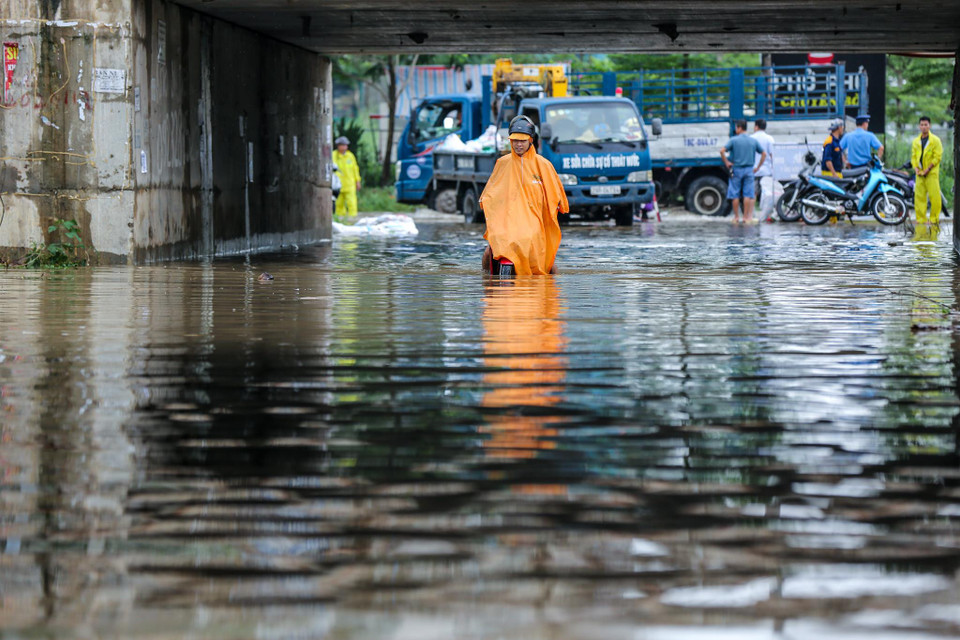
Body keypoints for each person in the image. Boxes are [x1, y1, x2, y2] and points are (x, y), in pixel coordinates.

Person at [479, 116, 569, 275]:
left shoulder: (543, 165)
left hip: (534, 223)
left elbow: (557, 195)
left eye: (522, 140)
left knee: (547, 263)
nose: (518, 144)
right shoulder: (502, 163)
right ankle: (486, 279)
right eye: (514, 140)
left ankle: (551, 288)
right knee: (488, 253)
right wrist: (485, 203)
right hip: (506, 222)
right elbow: (490, 193)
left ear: (530, 141)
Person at [720, 119, 766, 224]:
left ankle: (736, 217)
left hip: (736, 169)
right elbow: (764, 153)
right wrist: (758, 167)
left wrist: (727, 162)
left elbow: (722, 150)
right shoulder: (753, 141)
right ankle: (746, 217)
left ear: (740, 127)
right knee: (747, 194)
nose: (736, 129)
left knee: (735, 194)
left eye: (736, 127)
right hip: (749, 170)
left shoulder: (734, 140)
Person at [911, 115, 943, 226]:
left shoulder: (935, 140)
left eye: (926, 124)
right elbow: (914, 156)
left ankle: (934, 219)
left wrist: (927, 169)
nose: (924, 127)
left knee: (935, 197)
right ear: (919, 126)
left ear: (930, 126)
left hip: (931, 174)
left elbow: (937, 157)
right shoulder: (916, 141)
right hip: (919, 174)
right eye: (922, 125)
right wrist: (916, 168)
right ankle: (921, 220)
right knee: (919, 197)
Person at [752, 119, 775, 222]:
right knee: (767, 194)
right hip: (767, 171)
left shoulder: (751, 138)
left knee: (753, 193)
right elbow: (772, 154)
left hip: (754, 171)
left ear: (756, 126)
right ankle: (766, 215)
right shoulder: (769, 139)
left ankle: (751, 215)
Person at [332, 136, 361, 219]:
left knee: (352, 203)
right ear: (338, 146)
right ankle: (340, 219)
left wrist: (357, 181)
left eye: (346, 145)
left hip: (350, 184)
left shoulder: (350, 156)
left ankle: (353, 218)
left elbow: (355, 169)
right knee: (339, 203)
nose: (345, 147)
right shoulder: (333, 155)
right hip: (338, 184)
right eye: (343, 145)